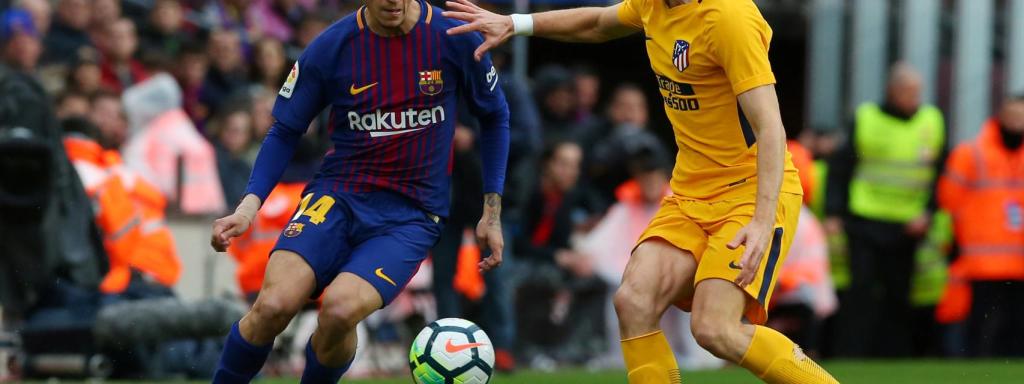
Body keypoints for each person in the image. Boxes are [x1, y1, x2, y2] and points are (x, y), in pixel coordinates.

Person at [444, 0, 837, 383]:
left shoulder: (729, 16)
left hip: (750, 194)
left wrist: (761, 222)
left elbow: (771, 128)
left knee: (715, 329)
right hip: (690, 193)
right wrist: (516, 24)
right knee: (633, 301)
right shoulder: (652, 5)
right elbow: (597, 21)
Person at [208, 0, 510, 382]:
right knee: (273, 305)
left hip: (410, 215)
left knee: (338, 310)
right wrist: (247, 208)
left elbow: (495, 116)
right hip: (336, 197)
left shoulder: (451, 37)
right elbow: (285, 130)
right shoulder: (330, 47)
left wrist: (492, 211)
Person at [825, 63, 946, 357]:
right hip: (866, 218)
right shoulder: (866, 117)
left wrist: (928, 212)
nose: (914, 98)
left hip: (908, 224)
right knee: (860, 290)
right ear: (892, 91)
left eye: (918, 92)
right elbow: (841, 167)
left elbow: (941, 174)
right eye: (908, 92)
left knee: (900, 294)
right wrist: (834, 212)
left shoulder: (932, 120)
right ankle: (851, 355)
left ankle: (896, 356)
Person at [937, 95, 1024, 357]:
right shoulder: (971, 154)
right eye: (1012, 115)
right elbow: (948, 200)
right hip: (982, 261)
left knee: (1014, 330)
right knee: (983, 328)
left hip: (1018, 260)